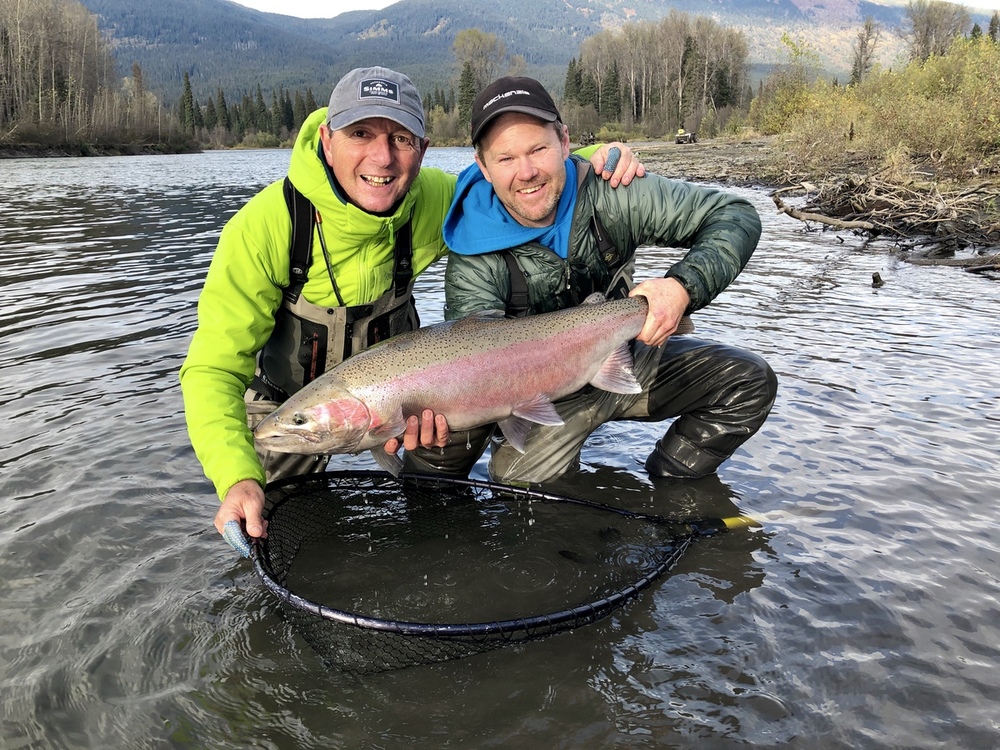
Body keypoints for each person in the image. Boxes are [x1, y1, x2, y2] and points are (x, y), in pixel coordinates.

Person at [179, 66, 642, 546]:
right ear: (327, 139)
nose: (382, 158)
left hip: (409, 405)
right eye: (361, 133)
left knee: (431, 504)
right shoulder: (262, 229)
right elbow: (212, 371)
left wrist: (595, 159)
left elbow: (514, 179)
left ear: (422, 150)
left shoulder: (434, 199)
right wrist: (236, 477)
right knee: (277, 530)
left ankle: (440, 542)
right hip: (288, 409)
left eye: (401, 139)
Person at [404, 75, 777, 484]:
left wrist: (681, 287)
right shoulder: (472, 251)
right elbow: (480, 361)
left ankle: (672, 492)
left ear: (564, 142)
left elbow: (735, 215)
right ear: (483, 167)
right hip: (546, 388)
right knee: (513, 482)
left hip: (630, 353)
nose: (526, 172)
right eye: (506, 159)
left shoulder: (615, 190)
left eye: (538, 149)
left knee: (748, 382)